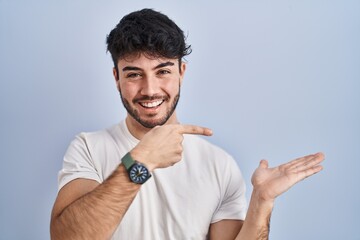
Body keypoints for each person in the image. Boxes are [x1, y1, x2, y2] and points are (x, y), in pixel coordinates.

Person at [50, 8, 324, 240]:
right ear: (116, 78)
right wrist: (140, 162)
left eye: (163, 71)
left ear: (182, 72)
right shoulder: (88, 147)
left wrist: (262, 203)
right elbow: (66, 236)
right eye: (134, 74)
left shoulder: (219, 164)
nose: (150, 89)